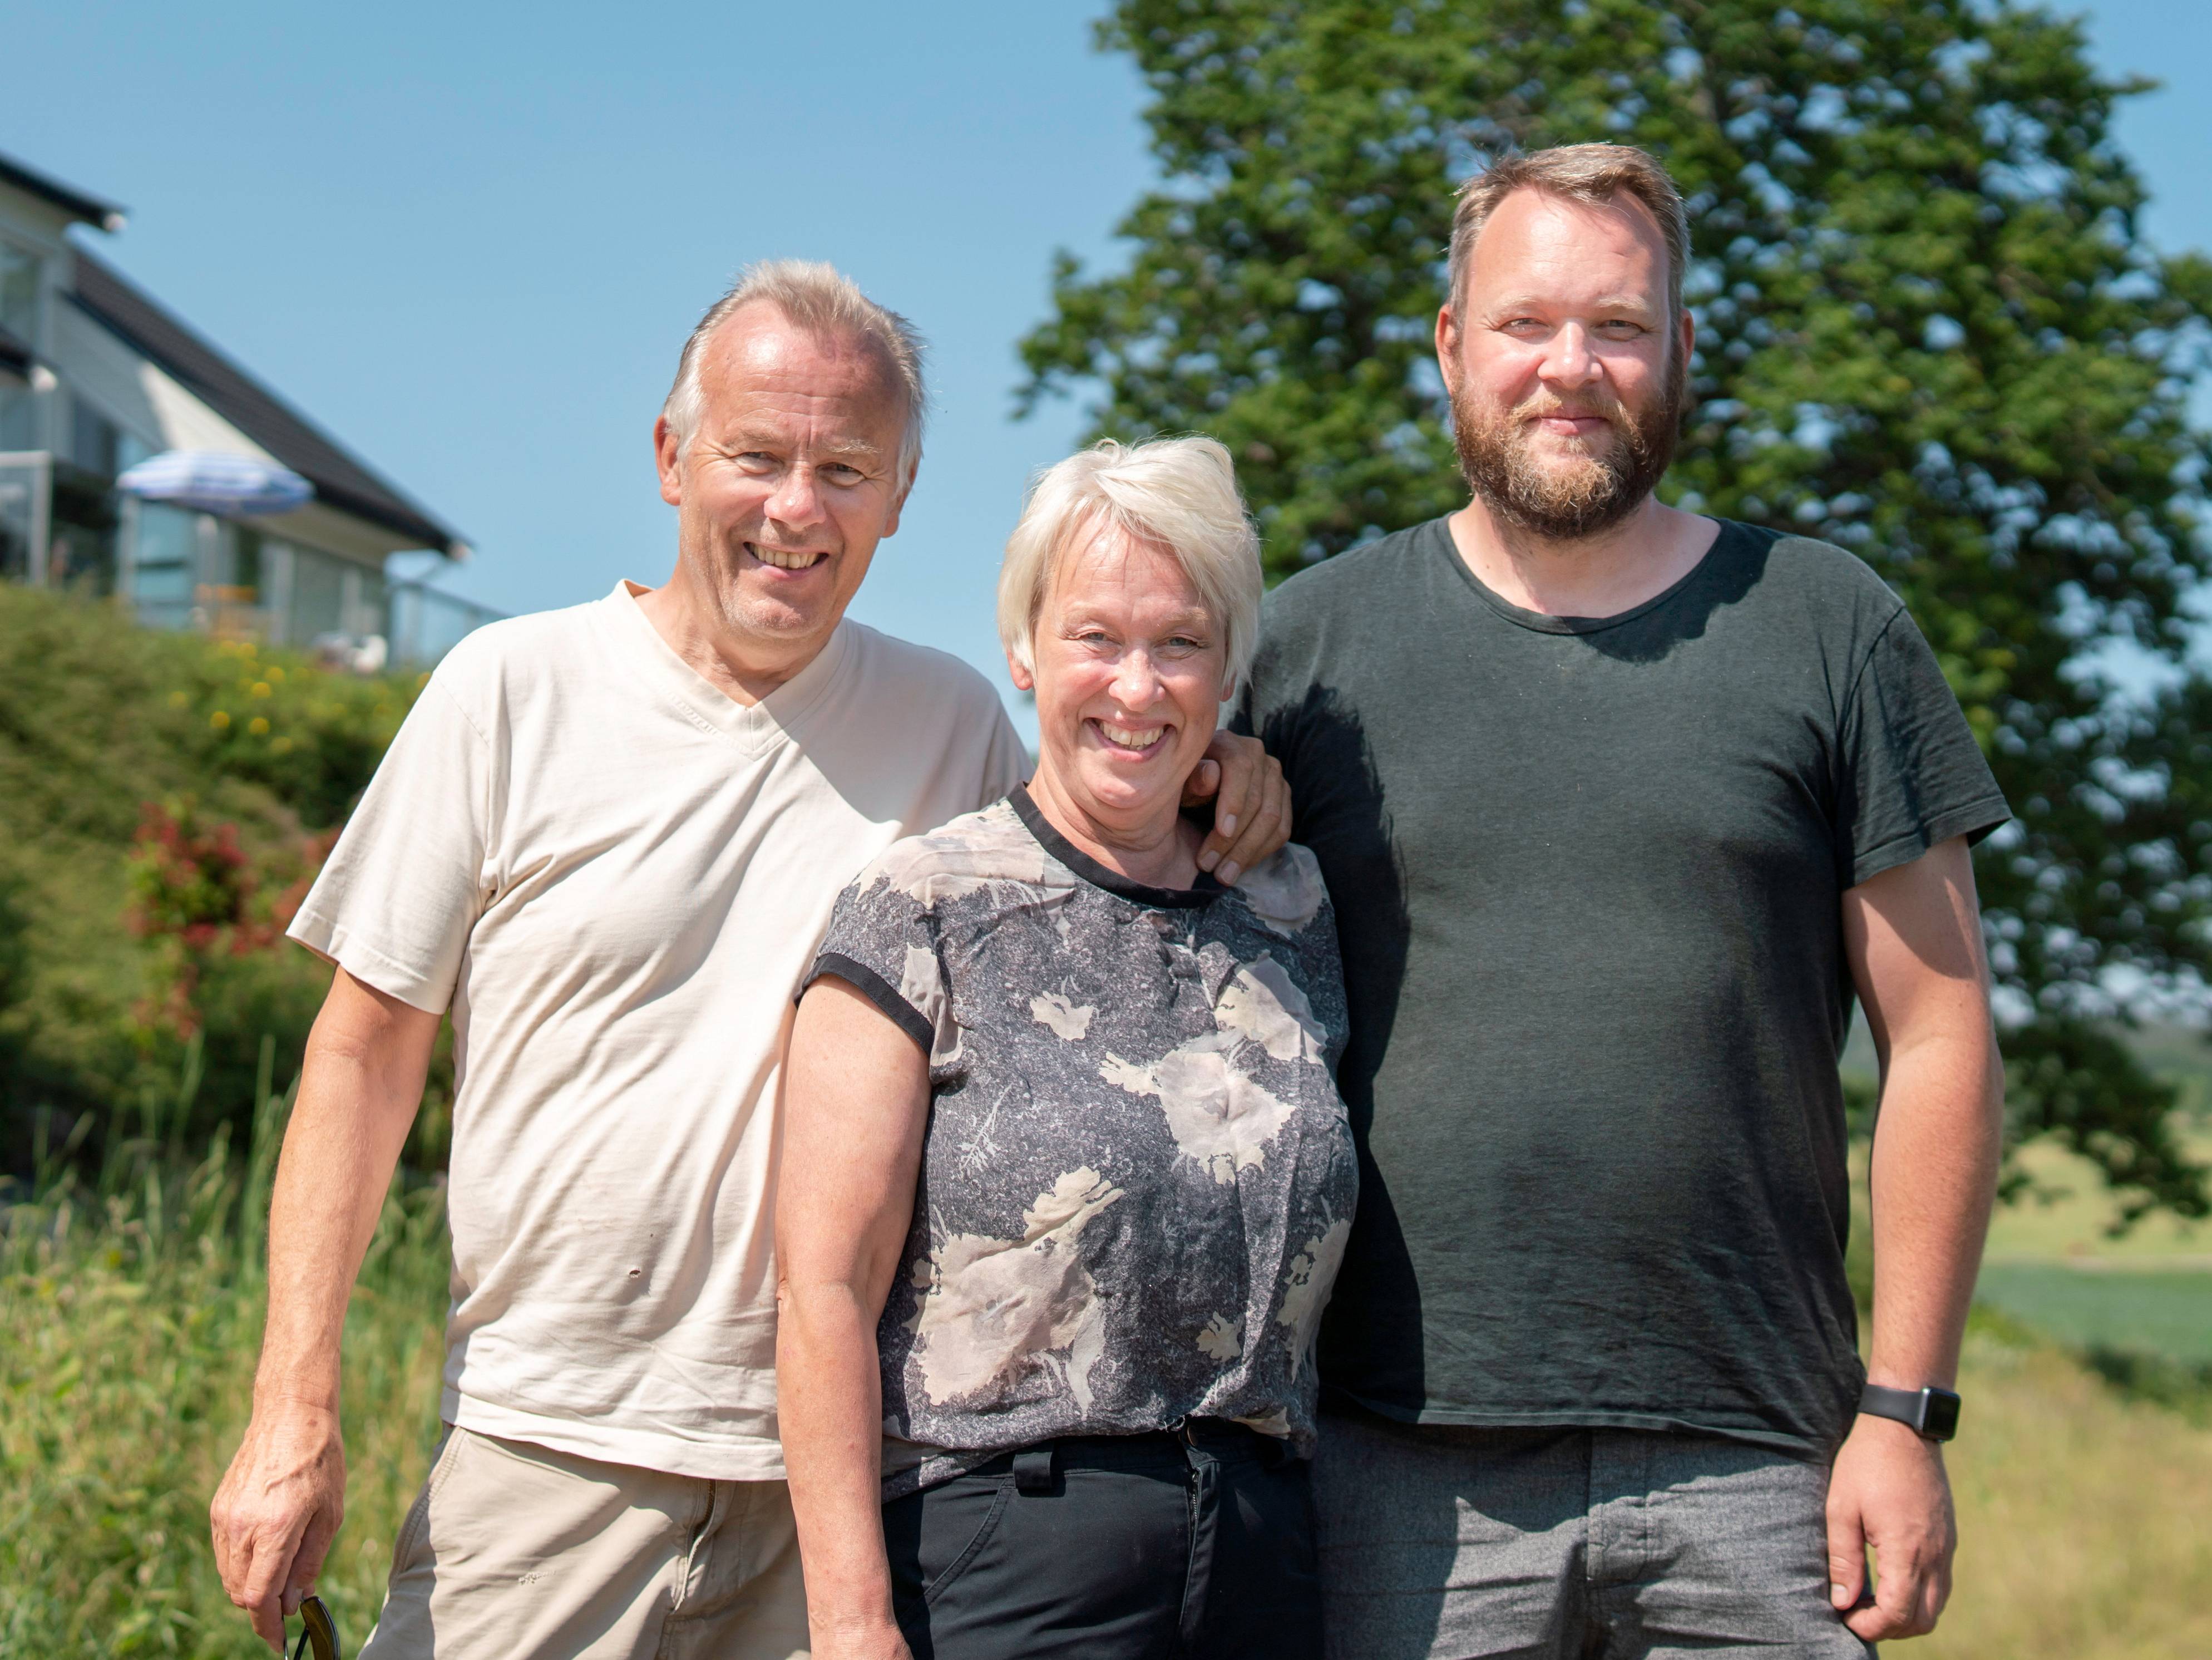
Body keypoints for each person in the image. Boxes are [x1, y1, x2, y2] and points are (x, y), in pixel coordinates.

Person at [207, 264, 1291, 1659]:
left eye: (845, 468)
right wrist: (293, 1405)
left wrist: (1219, 766)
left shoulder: (950, 723)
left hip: (836, 1491)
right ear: (671, 458)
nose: (796, 508)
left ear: (900, 496)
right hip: (551, 1457)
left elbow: (1095, 821)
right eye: (756, 456)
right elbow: (361, 1062)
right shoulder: (508, 691)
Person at [1240, 144, 2009, 1657]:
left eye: (1620, 328)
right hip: (1396, 1465)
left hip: (1764, 1465)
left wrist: (1904, 1415)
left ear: (1683, 351)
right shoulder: (1303, 653)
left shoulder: (1830, 628)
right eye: (1526, 324)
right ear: (1451, 342)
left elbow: (1943, 1035)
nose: (1570, 370)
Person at [776, 435, 1356, 1660]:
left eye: (1179, 643)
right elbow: (822, 1287)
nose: (1135, 687)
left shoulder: (1295, 910)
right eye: (1096, 636)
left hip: (1266, 1557)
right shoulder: (922, 908)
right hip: (1002, 1554)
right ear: (1026, 649)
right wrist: (849, 1620)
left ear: (1228, 667)